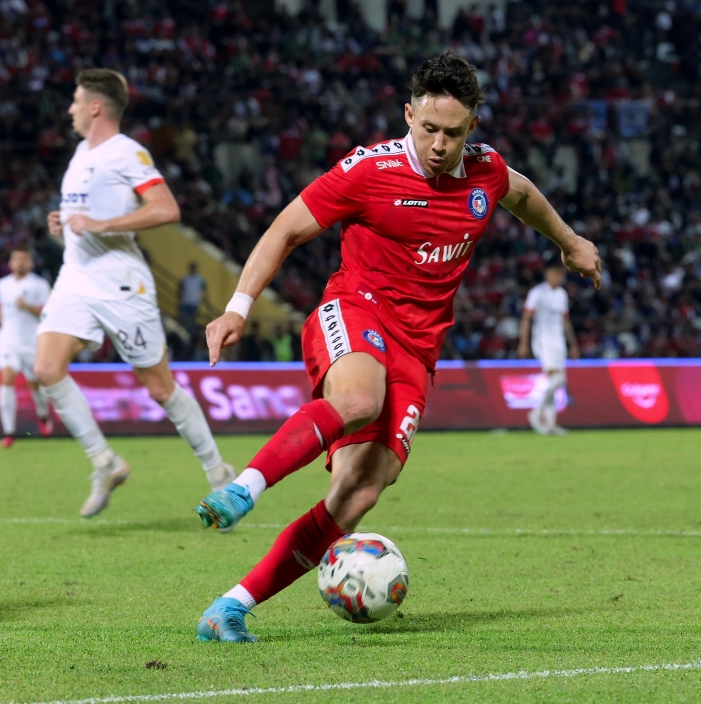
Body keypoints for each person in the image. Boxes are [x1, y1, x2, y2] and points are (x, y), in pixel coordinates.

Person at [192, 51, 601, 642]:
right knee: (358, 399)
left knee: (359, 492)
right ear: (408, 115)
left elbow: (521, 194)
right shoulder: (367, 171)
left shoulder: (484, 171)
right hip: (355, 309)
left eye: (452, 133)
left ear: (472, 129)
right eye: (428, 128)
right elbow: (285, 228)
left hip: (418, 348)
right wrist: (237, 307)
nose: (438, 144)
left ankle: (229, 607)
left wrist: (569, 240)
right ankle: (242, 488)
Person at [37, 69, 235, 518]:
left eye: (74, 100)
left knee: (160, 388)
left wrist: (103, 225)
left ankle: (219, 473)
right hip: (76, 277)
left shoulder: (127, 152)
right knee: (47, 368)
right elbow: (83, 220)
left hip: (121, 282)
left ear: (95, 107)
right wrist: (62, 226)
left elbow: (166, 208)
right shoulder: (80, 154)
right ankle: (104, 461)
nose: (69, 109)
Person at [0, 247, 53, 446]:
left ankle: (43, 413)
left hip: (31, 341)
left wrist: (27, 307)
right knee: (6, 381)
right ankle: (8, 432)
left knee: (35, 383)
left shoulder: (39, 285)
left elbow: (47, 313)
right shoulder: (2, 284)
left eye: (23, 259)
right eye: (16, 259)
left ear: (31, 263)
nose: (20, 263)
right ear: (10, 263)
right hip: (8, 339)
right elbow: (1, 307)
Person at [518, 265, 579, 435]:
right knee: (558, 378)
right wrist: (523, 343)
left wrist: (572, 344)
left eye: (560, 275)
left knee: (557, 380)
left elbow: (565, 322)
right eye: (555, 274)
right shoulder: (537, 293)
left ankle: (550, 424)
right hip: (543, 340)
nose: (558, 278)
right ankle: (536, 413)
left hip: (558, 341)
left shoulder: (561, 294)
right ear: (547, 275)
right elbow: (526, 318)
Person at [178, 261, 207, 333]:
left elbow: (204, 291)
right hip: (185, 303)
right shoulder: (185, 278)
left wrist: (205, 301)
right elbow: (180, 291)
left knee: (192, 324)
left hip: (194, 304)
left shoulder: (200, 279)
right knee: (183, 322)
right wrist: (179, 301)